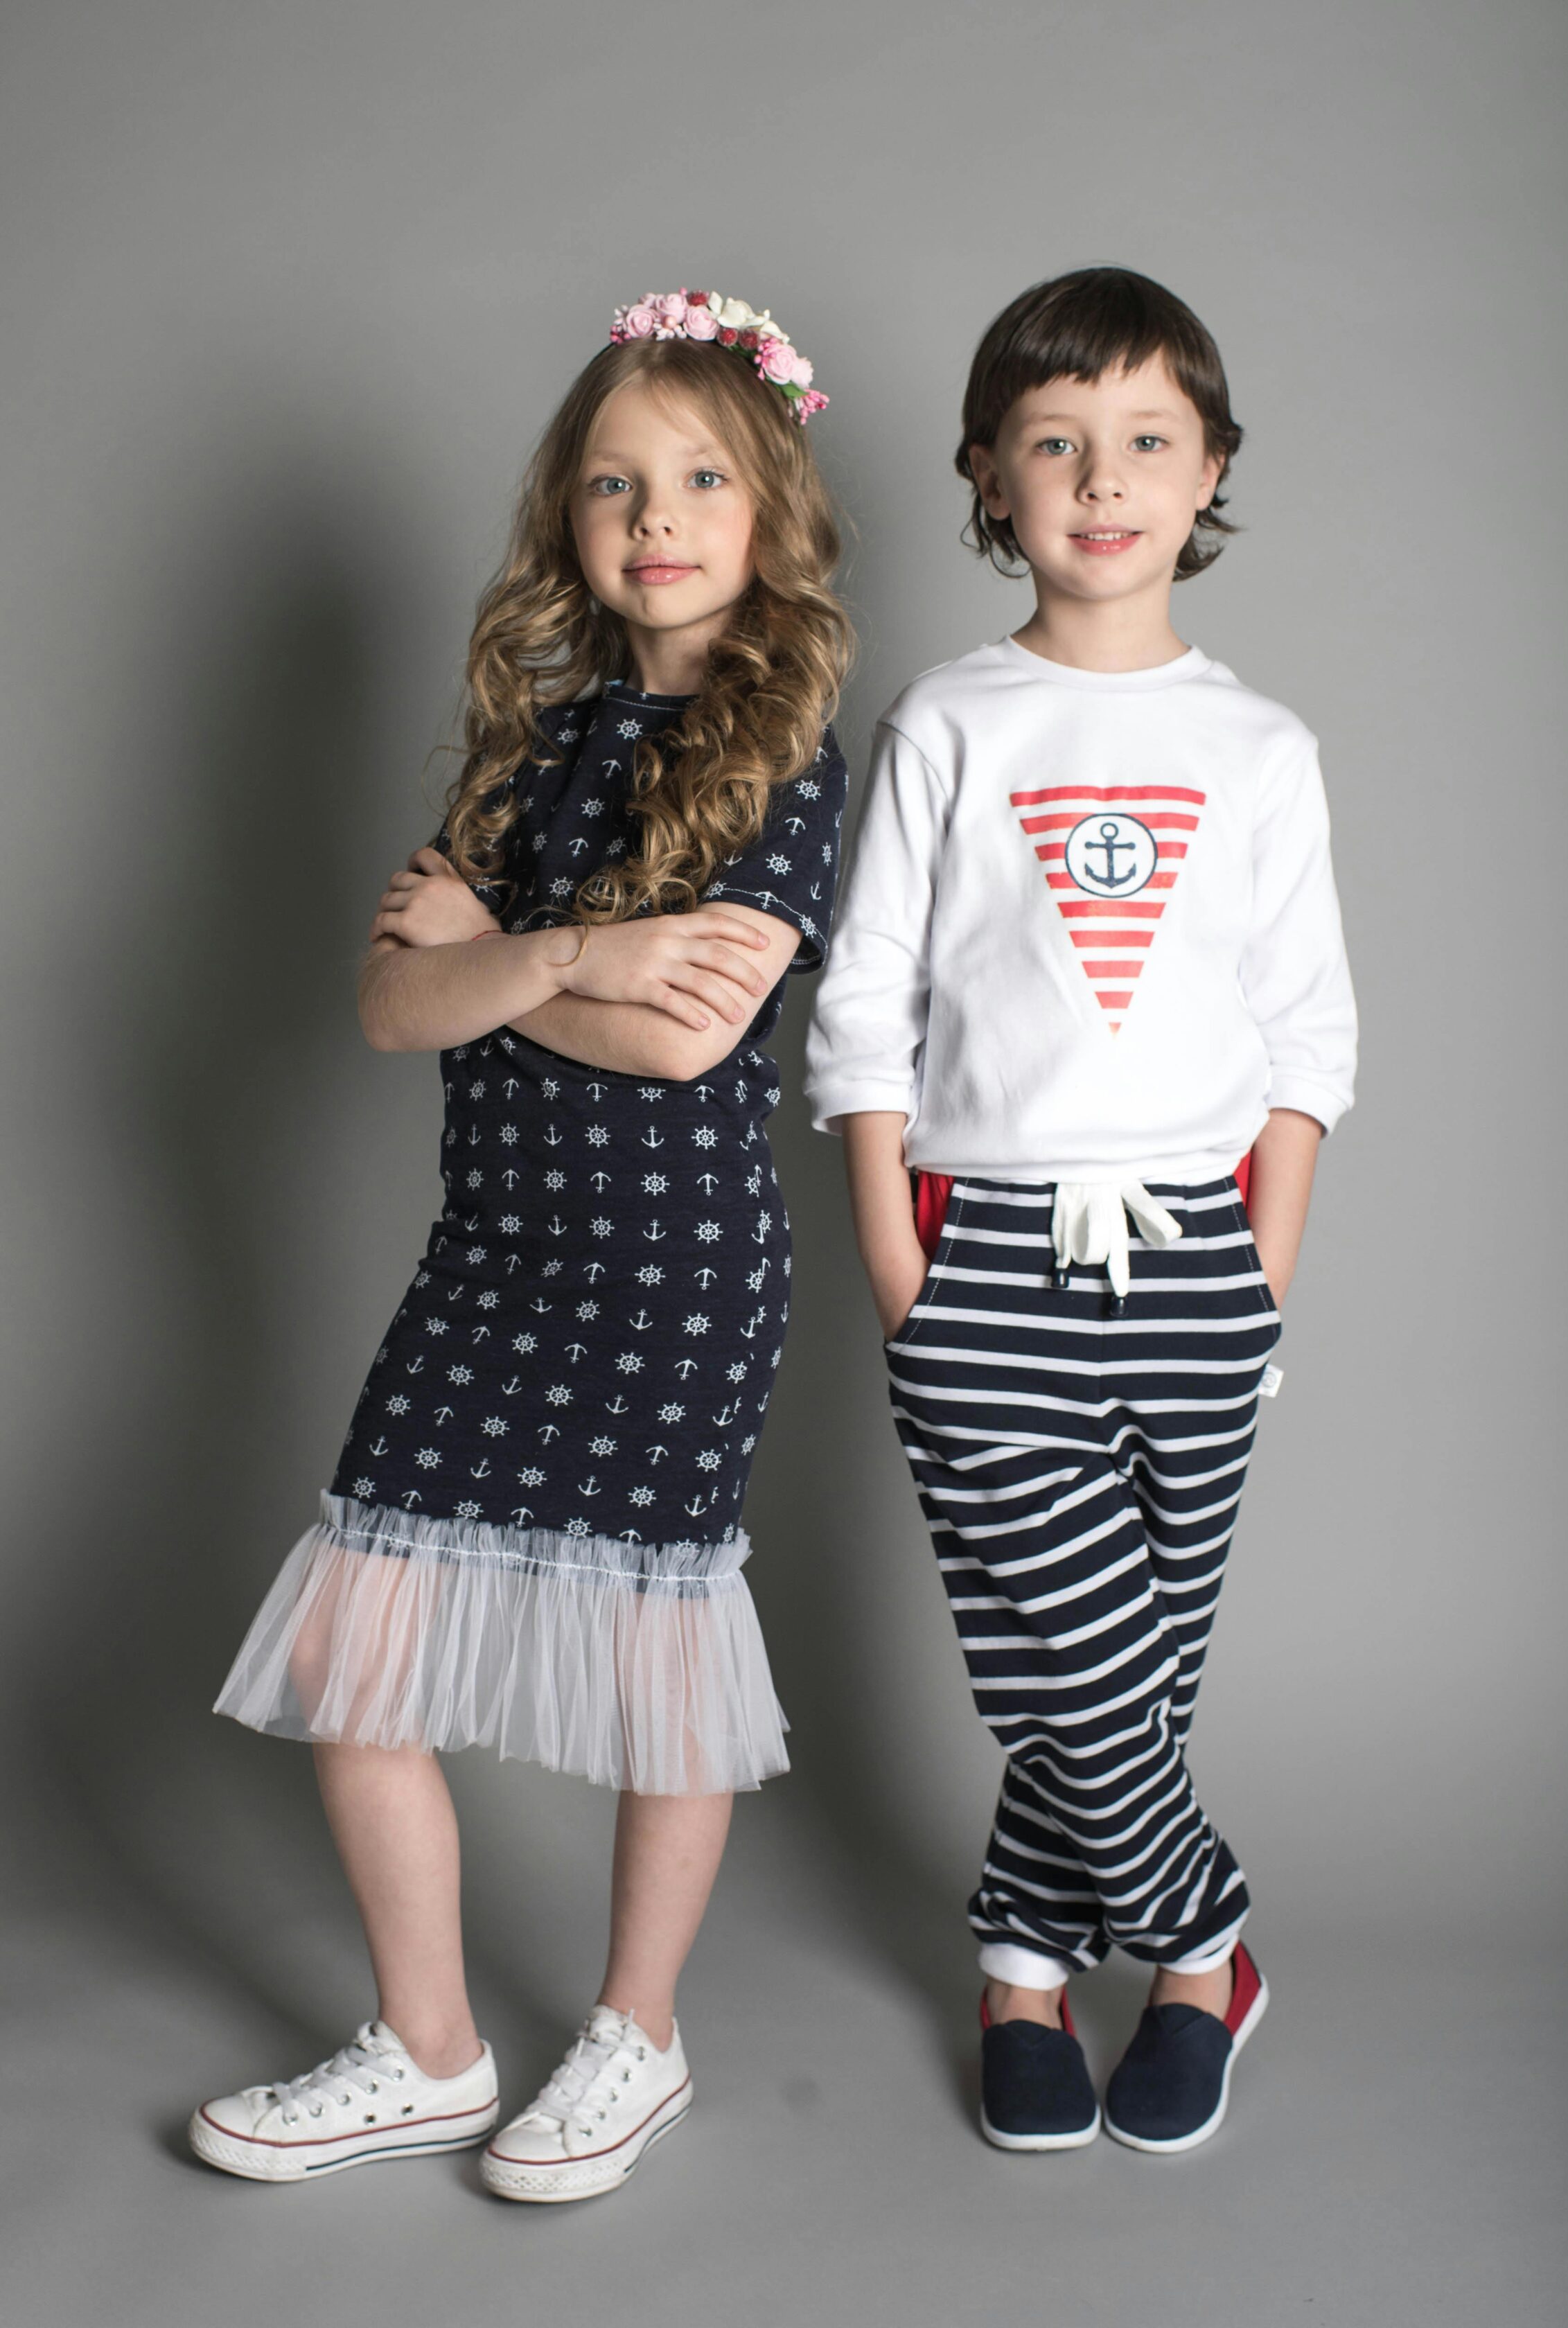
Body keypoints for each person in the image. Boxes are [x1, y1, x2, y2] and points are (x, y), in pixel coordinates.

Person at [191, 288, 850, 2201]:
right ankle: (430, 2046)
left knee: (662, 1667)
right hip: (489, 1266)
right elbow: (394, 1010)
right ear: (566, 518)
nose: (658, 514)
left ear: (766, 502)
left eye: (701, 476)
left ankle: (634, 2038)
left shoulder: (791, 749)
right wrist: (568, 951)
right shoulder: (521, 748)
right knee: (362, 1661)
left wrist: (494, 965)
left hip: (673, 1280)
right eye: (614, 483)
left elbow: (692, 1033)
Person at [805, 267, 1355, 2155]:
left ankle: (1025, 1968)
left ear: (1210, 472)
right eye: (1054, 441)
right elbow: (863, 1008)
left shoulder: (1263, 751)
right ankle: (1205, 1947)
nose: (1100, 479)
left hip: (1197, 1260)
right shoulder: (951, 724)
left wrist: (1260, 1277)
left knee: (1136, 1658)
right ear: (987, 471)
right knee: (1065, 1642)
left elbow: (1309, 1042)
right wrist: (901, 1260)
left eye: (1144, 440)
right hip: (983, 1255)